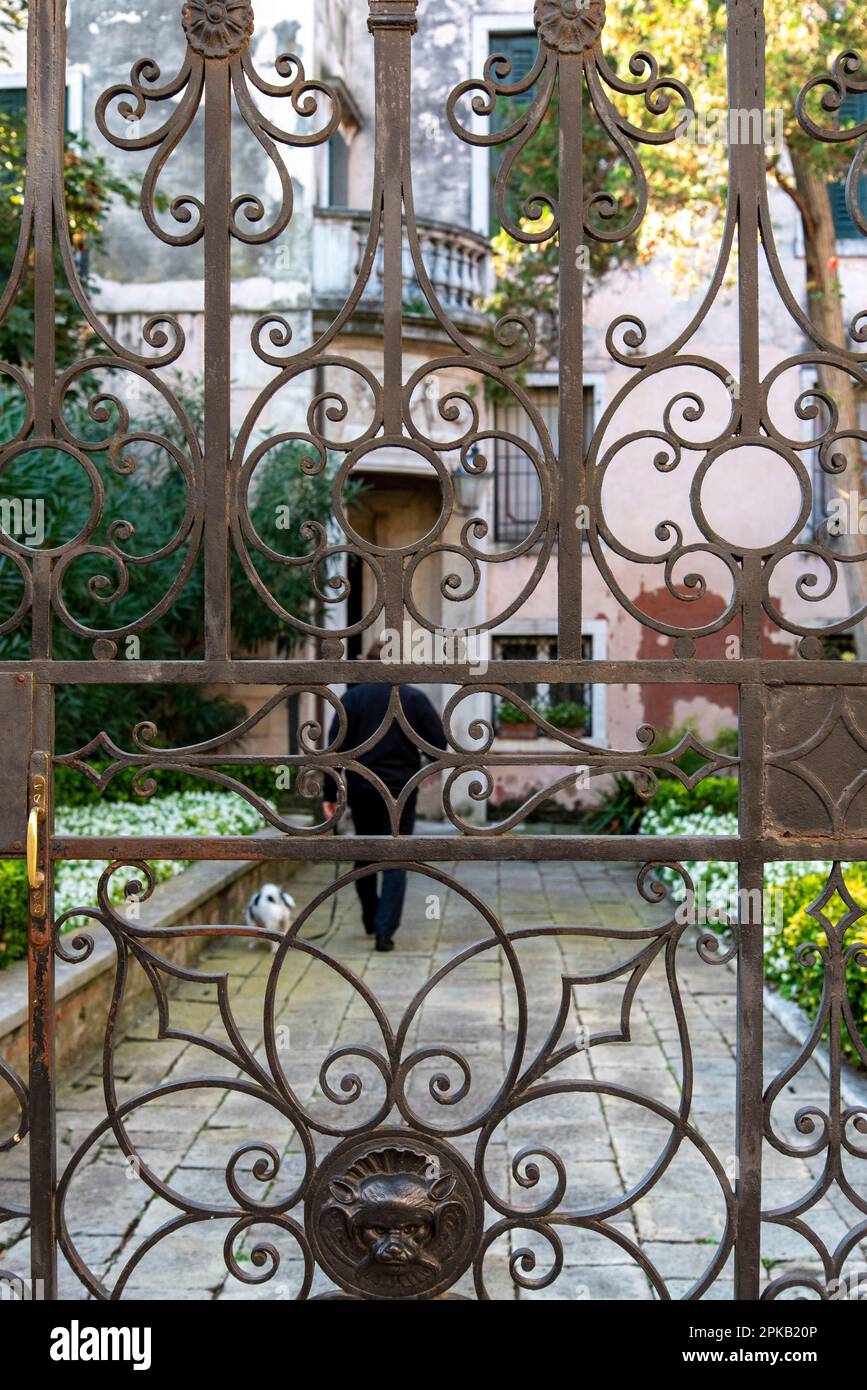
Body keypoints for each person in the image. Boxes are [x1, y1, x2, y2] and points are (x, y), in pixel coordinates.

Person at [322, 641, 447, 952]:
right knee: (396, 857)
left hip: (363, 787)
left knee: (365, 852)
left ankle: (369, 917)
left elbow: (332, 751)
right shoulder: (413, 698)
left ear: (367, 663)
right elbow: (438, 744)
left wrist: (330, 794)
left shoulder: (351, 699)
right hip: (402, 789)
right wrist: (429, 769)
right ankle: (384, 931)